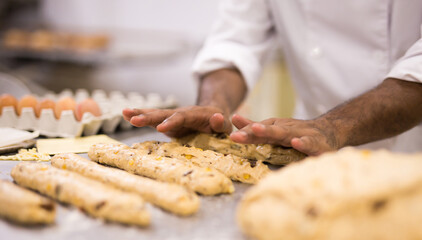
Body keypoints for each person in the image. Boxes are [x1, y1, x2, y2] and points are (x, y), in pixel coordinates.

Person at [123, 0, 422, 156]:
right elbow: (236, 38)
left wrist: (334, 126)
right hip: (306, 149)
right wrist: (214, 103)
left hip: (411, 153)